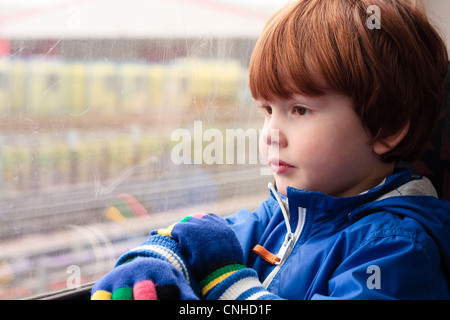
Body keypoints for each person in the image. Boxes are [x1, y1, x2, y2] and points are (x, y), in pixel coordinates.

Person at [91, 0, 450, 300]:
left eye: (299, 110)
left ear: (386, 128)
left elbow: (219, 265)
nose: (271, 134)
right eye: (267, 110)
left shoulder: (399, 250)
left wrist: (228, 283)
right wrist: (157, 260)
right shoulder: (280, 216)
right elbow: (202, 236)